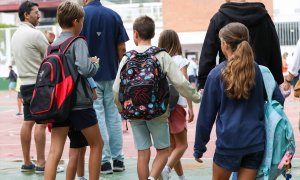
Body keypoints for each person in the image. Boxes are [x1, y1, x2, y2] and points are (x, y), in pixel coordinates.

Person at [113, 15, 201, 180]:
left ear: (135, 34)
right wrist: (196, 98)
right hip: (157, 111)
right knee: (163, 151)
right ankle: (153, 178)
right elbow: (180, 83)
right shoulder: (161, 55)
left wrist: (122, 108)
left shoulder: (127, 57)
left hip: (134, 111)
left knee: (142, 153)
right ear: (153, 34)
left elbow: (116, 89)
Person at [194, 22, 284, 180]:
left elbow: (206, 116)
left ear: (225, 45)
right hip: (255, 142)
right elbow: (278, 100)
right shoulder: (259, 71)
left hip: (228, 144)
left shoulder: (216, 75)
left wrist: (199, 147)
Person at [44, 1, 103, 180]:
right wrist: (95, 63)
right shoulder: (78, 42)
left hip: (58, 104)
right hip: (79, 103)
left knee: (54, 151)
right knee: (97, 144)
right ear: (76, 21)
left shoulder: (52, 46)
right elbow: (85, 70)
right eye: (83, 22)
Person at [80, 0, 129, 174]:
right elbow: (121, 47)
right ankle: (118, 159)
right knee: (113, 116)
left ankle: (105, 161)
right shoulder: (114, 15)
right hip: (112, 74)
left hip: (90, 76)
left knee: (98, 115)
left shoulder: (81, 15)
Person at [197, 0, 283, 90]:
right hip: (259, 81)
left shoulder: (219, 18)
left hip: (228, 81)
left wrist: (204, 84)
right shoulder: (265, 18)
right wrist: (277, 81)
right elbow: (275, 52)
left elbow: (208, 54)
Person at [11, 1, 55, 173]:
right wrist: (50, 42)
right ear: (26, 15)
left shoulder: (16, 34)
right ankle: (42, 163)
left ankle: (27, 162)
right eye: (36, 12)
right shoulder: (34, 34)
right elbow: (51, 55)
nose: (39, 15)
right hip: (39, 83)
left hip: (25, 84)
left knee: (28, 121)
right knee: (41, 123)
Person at [158, 29, 194, 180]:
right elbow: (184, 85)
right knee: (183, 145)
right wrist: (191, 107)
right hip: (177, 105)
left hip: (163, 107)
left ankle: (181, 177)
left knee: (173, 147)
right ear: (176, 42)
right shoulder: (180, 60)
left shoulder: (159, 59)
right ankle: (166, 169)